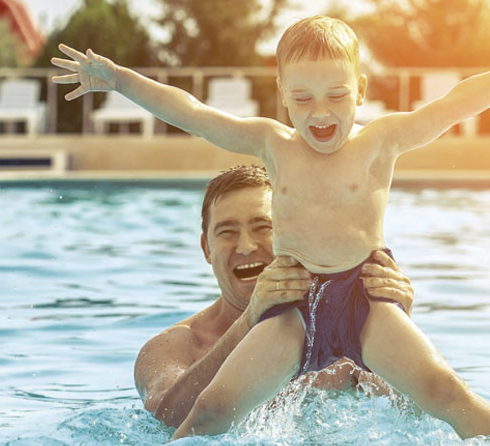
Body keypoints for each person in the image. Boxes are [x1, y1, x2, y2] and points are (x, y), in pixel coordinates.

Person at [52, 15, 490, 439]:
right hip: (292, 302)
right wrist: (119, 80)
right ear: (282, 94)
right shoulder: (272, 142)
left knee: (443, 388)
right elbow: (192, 111)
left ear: (360, 89)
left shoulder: (381, 140)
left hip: (366, 301)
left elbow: (456, 104)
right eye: (303, 98)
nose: (320, 113)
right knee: (214, 407)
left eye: (336, 95)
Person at [133, 164, 415, 428]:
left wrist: (397, 324)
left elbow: (413, 415)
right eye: (227, 232)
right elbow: (165, 419)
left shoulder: (342, 334)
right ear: (206, 248)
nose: (245, 246)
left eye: (263, 227)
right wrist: (249, 319)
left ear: (295, 236)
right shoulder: (174, 347)